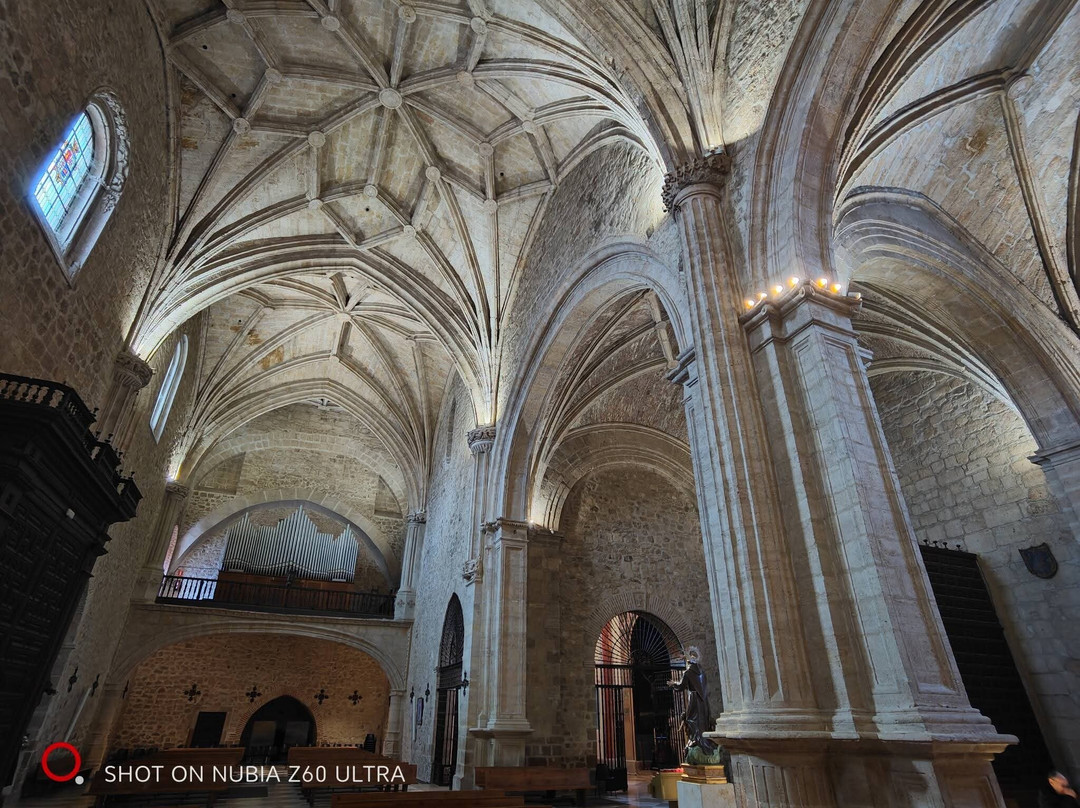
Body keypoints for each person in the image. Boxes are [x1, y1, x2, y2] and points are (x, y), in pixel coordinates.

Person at [668, 646, 717, 757]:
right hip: (703, 701)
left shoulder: (688, 672)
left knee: (691, 720)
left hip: (694, 700)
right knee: (703, 721)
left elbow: (681, 686)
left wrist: (673, 684)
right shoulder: (702, 673)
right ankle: (704, 742)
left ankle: (697, 740)